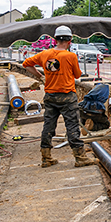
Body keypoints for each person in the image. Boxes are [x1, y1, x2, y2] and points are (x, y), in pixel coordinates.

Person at [22, 25, 94, 168]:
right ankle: (80, 157)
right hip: (67, 96)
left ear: (55, 40)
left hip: (50, 96)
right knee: (72, 126)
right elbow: (78, 75)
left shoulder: (44, 54)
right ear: (70, 40)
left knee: (48, 126)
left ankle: (46, 158)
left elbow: (26, 64)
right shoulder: (70, 56)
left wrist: (40, 76)